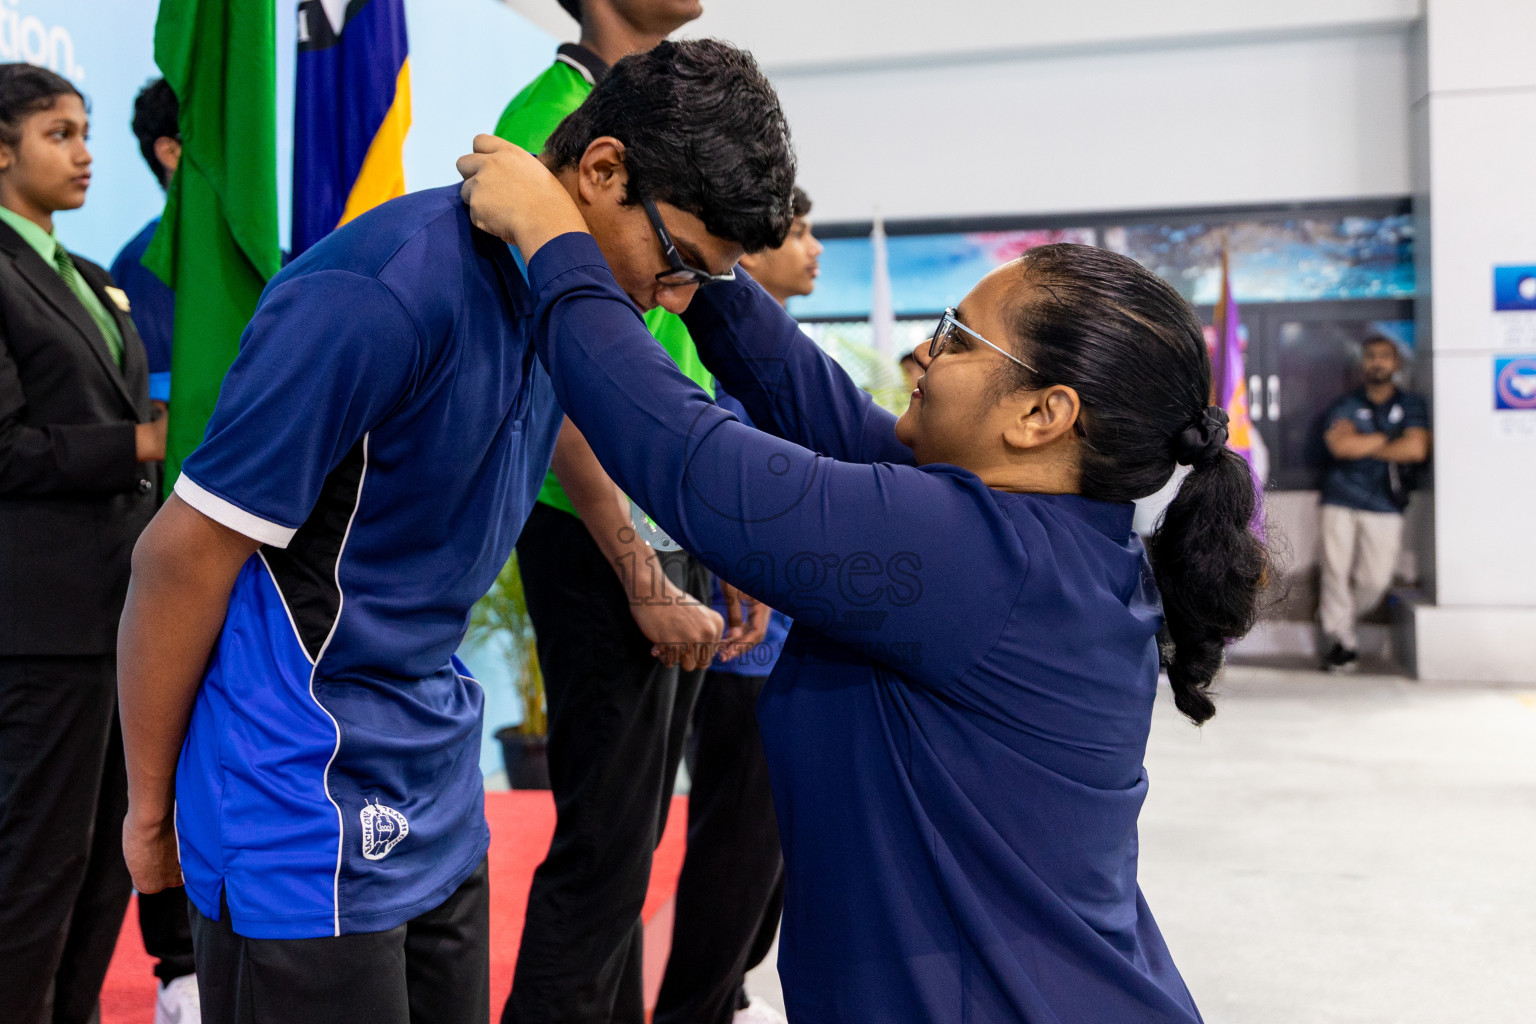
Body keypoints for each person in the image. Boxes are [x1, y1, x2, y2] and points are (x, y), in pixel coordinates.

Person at [458, 137, 1271, 1023]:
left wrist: (553, 243)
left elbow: (701, 466)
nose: (923, 353)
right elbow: (833, 416)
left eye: (956, 339)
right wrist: (711, 278)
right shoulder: (1058, 539)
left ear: (1044, 415)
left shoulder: (975, 555)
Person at [118, 39, 794, 1024]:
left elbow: (562, 415)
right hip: (297, 775)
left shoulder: (564, 297)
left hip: (432, 755)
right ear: (601, 170)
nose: (673, 297)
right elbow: (178, 556)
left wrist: (647, 566)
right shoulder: (379, 291)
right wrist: (147, 812)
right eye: (679, 261)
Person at [492, 5, 764, 1024]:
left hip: (660, 524)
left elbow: (675, 369)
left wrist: (717, 530)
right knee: (604, 850)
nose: (682, 288)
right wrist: (642, 570)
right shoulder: (548, 118)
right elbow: (544, 366)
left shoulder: (652, 125)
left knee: (632, 844)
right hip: (597, 531)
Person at [0, 63, 164, 1024]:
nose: (86, 152)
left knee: (107, 867)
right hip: (41, 621)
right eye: (59, 132)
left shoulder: (97, 280)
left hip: (121, 620)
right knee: (34, 867)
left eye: (86, 130)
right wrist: (134, 442)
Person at [654, 185, 819, 1024]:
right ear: (740, 256)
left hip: (790, 636)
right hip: (743, 639)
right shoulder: (715, 353)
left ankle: (733, 990)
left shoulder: (787, 362)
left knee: (772, 848)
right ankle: (696, 1007)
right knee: (738, 841)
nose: (813, 248)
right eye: (795, 233)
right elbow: (720, 476)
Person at [105, 75, 203, 1024]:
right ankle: (177, 970)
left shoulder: (280, 258)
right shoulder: (132, 273)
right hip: (177, 558)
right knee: (162, 759)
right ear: (173, 152)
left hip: (277, 561)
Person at [1317, 335, 1429, 671]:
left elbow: (1416, 450)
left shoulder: (1411, 404)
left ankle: (1344, 621)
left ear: (1396, 364)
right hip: (1340, 498)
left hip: (1385, 503)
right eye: (1370, 356)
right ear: (1362, 363)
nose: (1376, 362)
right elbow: (1340, 448)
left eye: (1384, 356)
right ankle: (1342, 642)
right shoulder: (1345, 405)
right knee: (1334, 573)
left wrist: (1363, 441)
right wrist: (1387, 438)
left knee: (1375, 580)